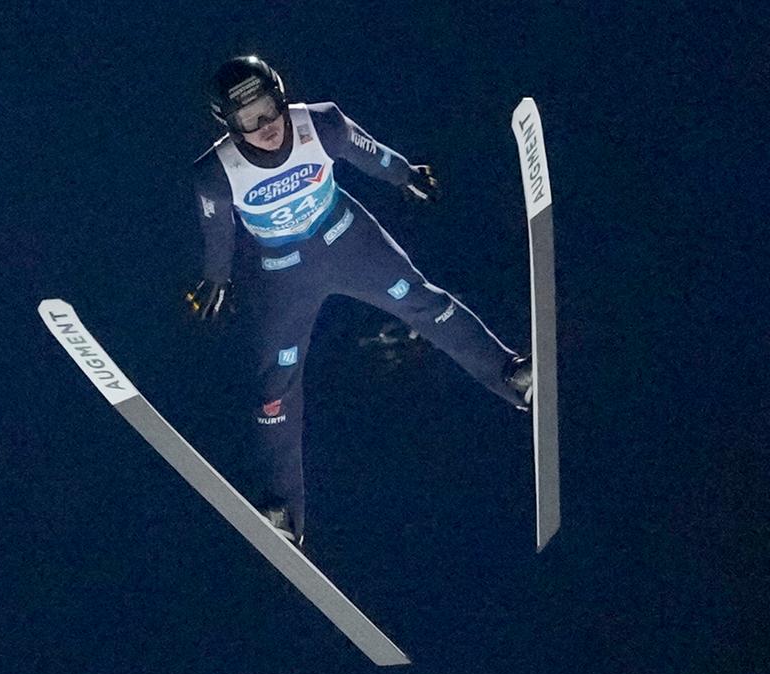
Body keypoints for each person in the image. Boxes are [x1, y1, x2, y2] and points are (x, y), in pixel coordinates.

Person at [189, 55, 533, 546]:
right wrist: (216, 280)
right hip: (283, 273)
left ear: (281, 96)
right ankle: (282, 508)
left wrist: (406, 175)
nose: (265, 127)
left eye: (268, 109)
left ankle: (511, 375)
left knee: (423, 303)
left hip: (346, 239)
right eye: (249, 120)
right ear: (229, 123)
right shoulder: (215, 174)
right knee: (277, 383)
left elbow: (368, 152)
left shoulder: (319, 123)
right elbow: (216, 234)